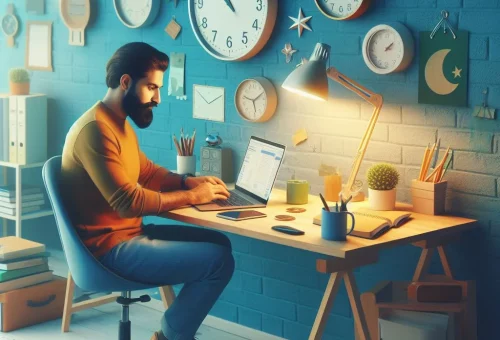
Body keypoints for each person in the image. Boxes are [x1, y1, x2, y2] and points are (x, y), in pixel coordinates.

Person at [60, 42, 234, 340]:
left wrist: (187, 182)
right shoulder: (95, 130)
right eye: (151, 87)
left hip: (129, 236)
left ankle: (172, 332)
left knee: (219, 242)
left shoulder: (118, 124)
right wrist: (194, 197)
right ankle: (169, 336)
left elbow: (148, 173)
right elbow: (129, 202)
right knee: (218, 261)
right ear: (126, 82)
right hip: (108, 249)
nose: (157, 98)